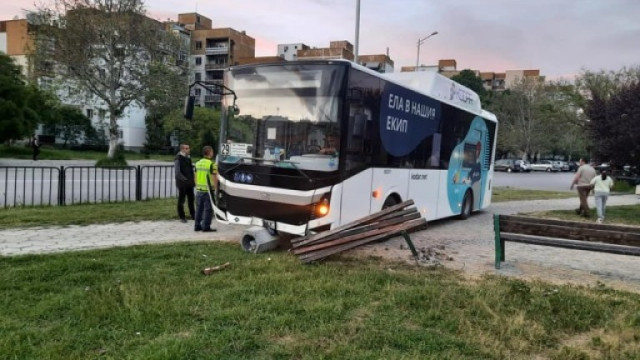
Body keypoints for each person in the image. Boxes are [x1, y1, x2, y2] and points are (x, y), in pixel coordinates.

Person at [194, 145, 217, 232]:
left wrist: (197, 186)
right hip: (208, 191)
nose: (213, 153)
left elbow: (195, 177)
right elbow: (214, 178)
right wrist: (216, 189)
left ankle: (197, 226)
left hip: (199, 190)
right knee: (208, 209)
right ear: (209, 152)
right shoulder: (212, 164)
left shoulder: (198, 163)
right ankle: (206, 227)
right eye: (212, 151)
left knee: (199, 209)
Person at [174, 144, 195, 223]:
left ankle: (193, 214)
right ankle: (182, 217)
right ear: (182, 149)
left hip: (189, 182)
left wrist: (192, 180)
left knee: (191, 199)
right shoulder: (178, 158)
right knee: (181, 200)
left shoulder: (188, 157)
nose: (189, 150)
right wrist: (185, 180)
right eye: (187, 148)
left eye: (188, 148)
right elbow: (177, 172)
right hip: (182, 183)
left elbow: (190, 170)